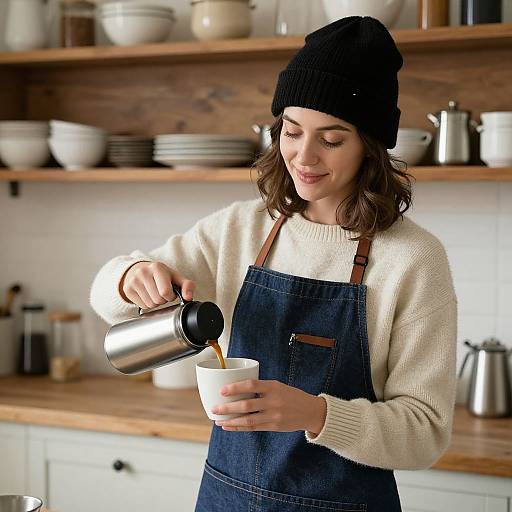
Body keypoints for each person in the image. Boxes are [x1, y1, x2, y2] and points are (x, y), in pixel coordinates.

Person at [90, 16, 457, 512]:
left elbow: (426, 432)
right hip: (227, 495)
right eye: (290, 131)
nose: (303, 156)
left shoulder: (412, 259)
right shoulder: (240, 229)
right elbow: (107, 301)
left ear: (370, 148)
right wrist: (131, 276)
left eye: (331, 139)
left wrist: (317, 415)